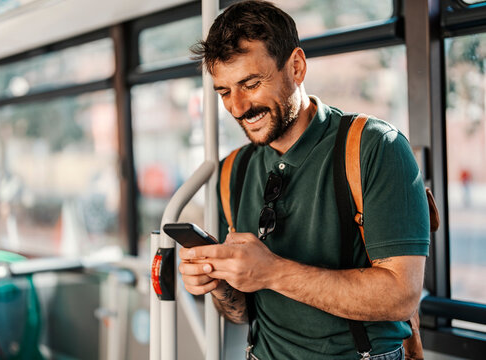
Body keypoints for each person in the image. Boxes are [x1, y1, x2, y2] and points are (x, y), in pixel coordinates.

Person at [178, 1, 430, 359]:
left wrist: (273, 272)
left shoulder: (376, 147)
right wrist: (218, 284)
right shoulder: (231, 172)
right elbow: (239, 312)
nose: (236, 107)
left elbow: (401, 297)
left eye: (250, 84)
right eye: (224, 92)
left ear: (296, 66)